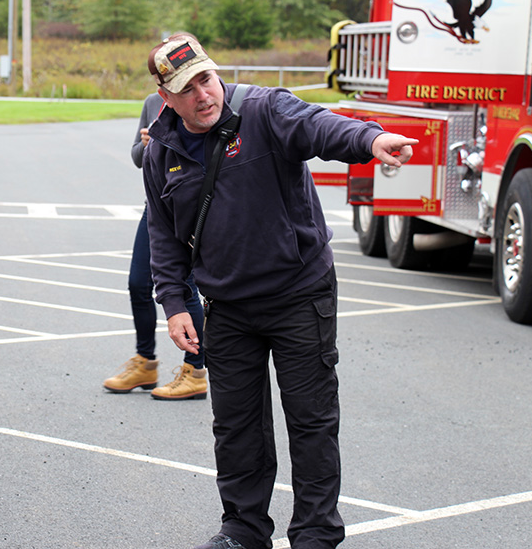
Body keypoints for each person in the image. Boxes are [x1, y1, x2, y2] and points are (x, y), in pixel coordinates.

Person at [141, 34, 418, 549]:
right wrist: (174, 303)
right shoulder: (161, 151)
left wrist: (370, 140)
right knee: (236, 427)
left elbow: (318, 126)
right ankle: (244, 529)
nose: (204, 94)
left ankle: (315, 534)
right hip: (226, 307)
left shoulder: (265, 110)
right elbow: (164, 232)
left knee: (311, 421)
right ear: (166, 96)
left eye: (206, 78)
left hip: (299, 295)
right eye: (188, 87)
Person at [103, 92, 208, 400]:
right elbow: (137, 156)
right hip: (157, 208)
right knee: (138, 283)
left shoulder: (203, 99)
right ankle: (146, 363)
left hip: (191, 208)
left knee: (185, 288)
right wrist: (148, 143)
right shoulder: (153, 102)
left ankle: (195, 371)